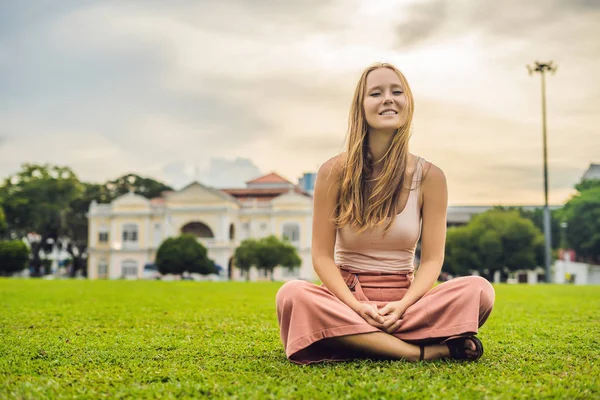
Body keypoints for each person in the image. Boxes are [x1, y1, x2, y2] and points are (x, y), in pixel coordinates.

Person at [276, 62, 495, 364]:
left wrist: (404, 305)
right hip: (346, 295)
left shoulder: (431, 177)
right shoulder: (333, 172)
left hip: (406, 303)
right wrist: (353, 305)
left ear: (408, 103)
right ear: (361, 107)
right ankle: (420, 351)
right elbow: (322, 256)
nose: (388, 99)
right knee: (292, 295)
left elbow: (432, 260)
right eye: (375, 93)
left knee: (479, 290)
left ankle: (352, 340)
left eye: (397, 91)